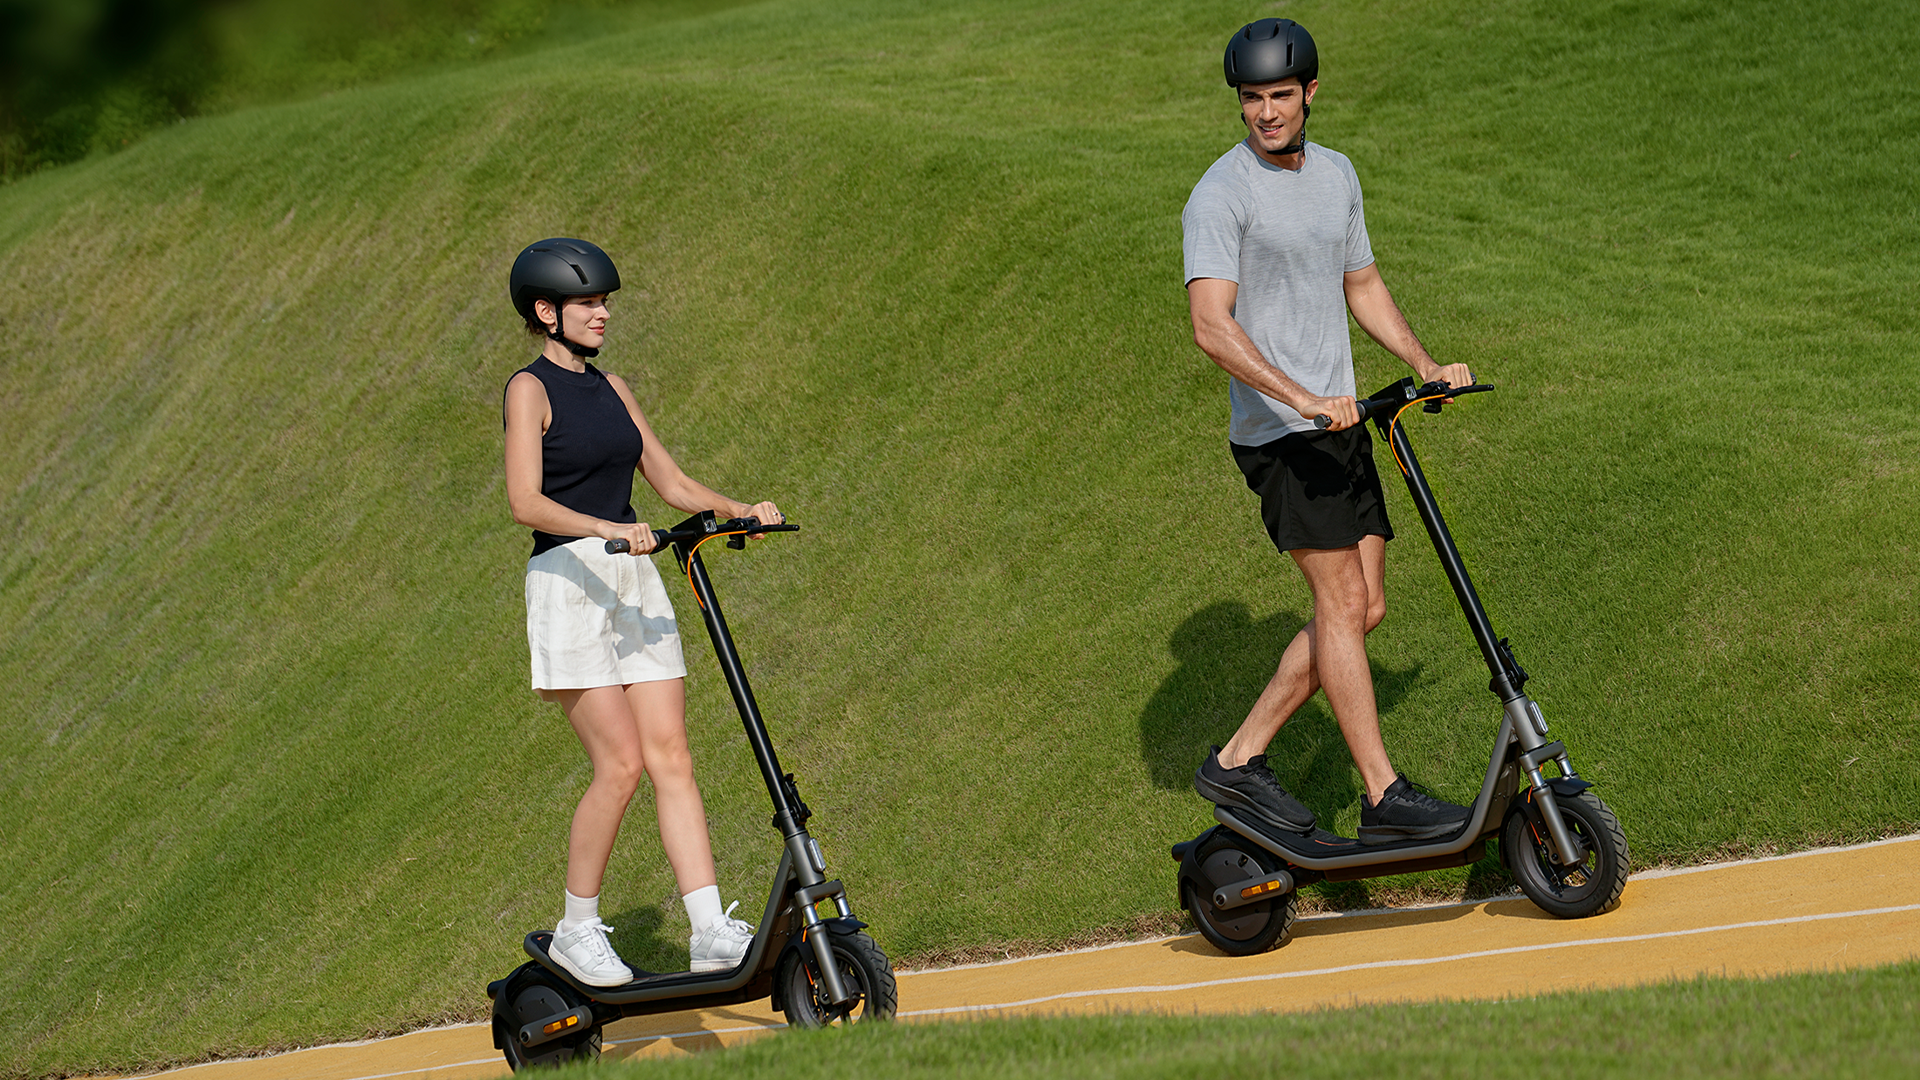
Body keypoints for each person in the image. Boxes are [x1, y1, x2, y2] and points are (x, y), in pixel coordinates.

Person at [1182, 20, 1476, 845]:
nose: (1266, 112)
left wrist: (1423, 363)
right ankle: (1384, 796)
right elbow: (1211, 325)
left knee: (1365, 606)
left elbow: (1364, 283)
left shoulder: (1337, 175)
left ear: (1310, 92)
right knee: (1341, 600)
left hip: (1338, 422)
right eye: (1251, 98)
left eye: (1280, 95)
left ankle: (1238, 758)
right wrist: (1302, 399)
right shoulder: (1221, 194)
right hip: (1281, 433)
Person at [501, 237, 784, 985]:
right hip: (570, 582)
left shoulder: (614, 388)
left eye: (604, 303)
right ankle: (577, 929)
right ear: (547, 312)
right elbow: (524, 501)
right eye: (588, 304)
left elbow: (672, 481)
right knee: (620, 763)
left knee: (671, 755)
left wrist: (740, 510)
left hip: (634, 577)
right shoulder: (528, 390)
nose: (602, 314)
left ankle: (708, 930)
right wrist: (605, 527)